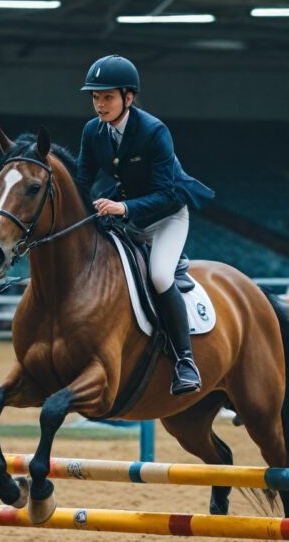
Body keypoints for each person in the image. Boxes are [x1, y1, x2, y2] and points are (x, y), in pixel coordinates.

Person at [75, 54, 215, 396]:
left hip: (166, 216)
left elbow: (166, 194)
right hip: (125, 213)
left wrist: (122, 207)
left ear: (129, 97)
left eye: (107, 96)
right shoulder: (93, 131)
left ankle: (185, 361)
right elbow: (81, 181)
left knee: (159, 276)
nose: (99, 104)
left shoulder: (153, 131)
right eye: (95, 96)